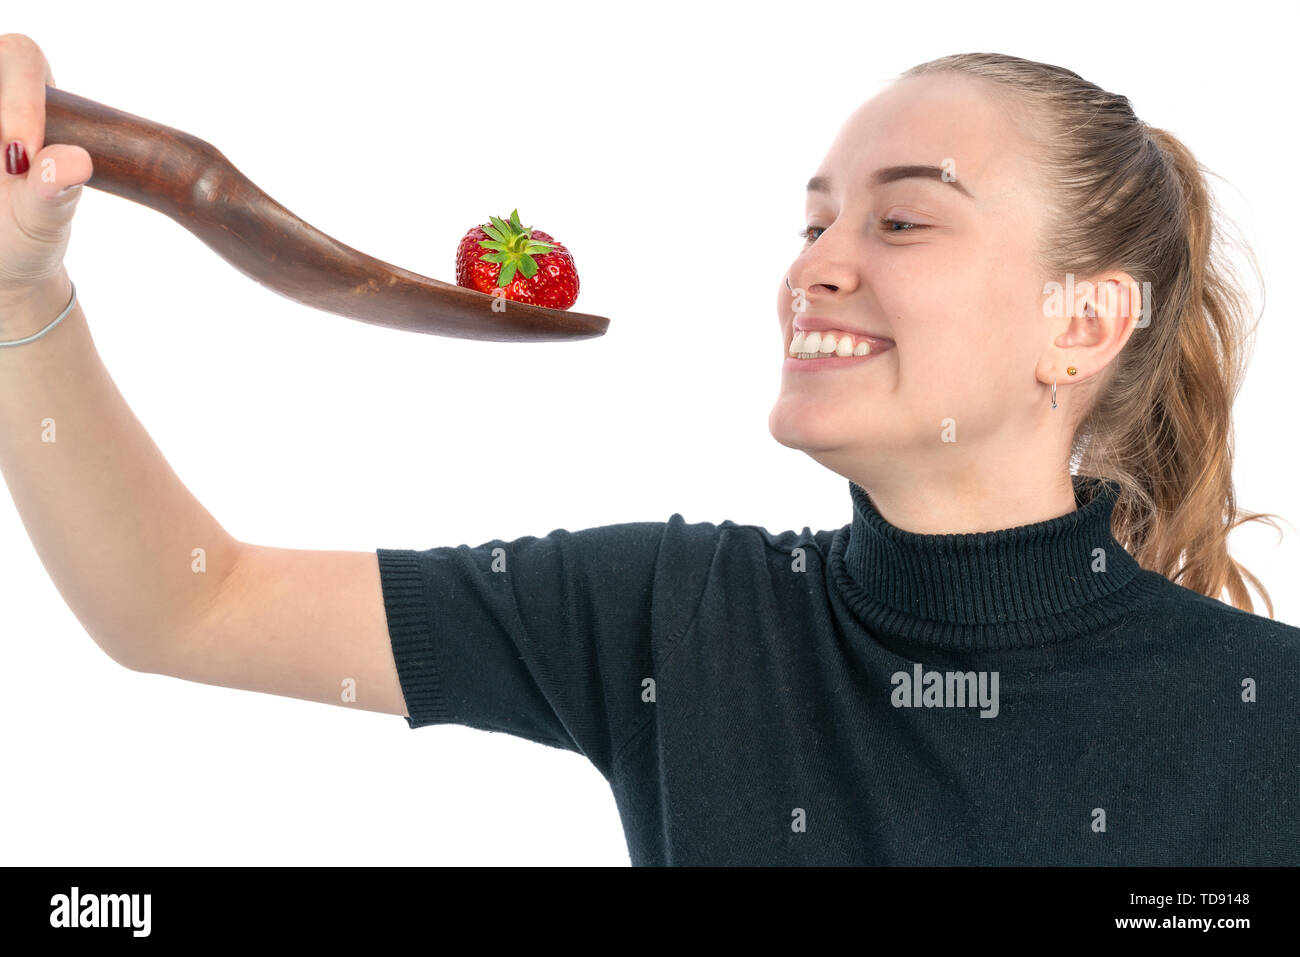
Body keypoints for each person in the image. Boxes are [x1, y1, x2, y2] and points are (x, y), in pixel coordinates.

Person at [2, 36, 1296, 865]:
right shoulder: (675, 619)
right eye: (812, 222)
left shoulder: (1270, 717)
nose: (817, 269)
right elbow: (183, 604)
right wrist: (19, 297)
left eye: (902, 222)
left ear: (1083, 322)